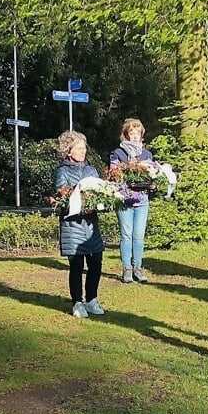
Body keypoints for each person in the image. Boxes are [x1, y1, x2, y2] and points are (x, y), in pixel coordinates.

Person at [55, 130, 106, 318]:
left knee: (96, 262)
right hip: (72, 225)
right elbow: (62, 194)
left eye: (84, 147)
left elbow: (101, 191)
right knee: (76, 264)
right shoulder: (62, 171)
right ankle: (77, 302)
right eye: (78, 148)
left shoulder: (91, 170)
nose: (83, 151)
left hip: (91, 224)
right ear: (68, 151)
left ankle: (91, 299)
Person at [108, 117, 153, 284]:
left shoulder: (147, 154)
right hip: (124, 200)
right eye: (131, 133)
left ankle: (138, 268)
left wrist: (152, 184)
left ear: (142, 135)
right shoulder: (118, 153)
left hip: (142, 200)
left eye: (137, 133)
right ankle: (127, 268)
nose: (134, 136)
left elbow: (152, 175)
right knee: (126, 235)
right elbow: (113, 174)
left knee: (139, 236)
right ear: (125, 134)